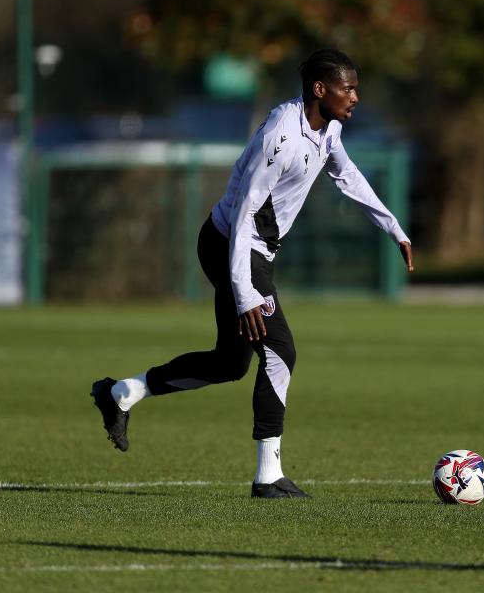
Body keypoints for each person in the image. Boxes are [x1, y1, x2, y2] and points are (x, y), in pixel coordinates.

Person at [90, 49, 414, 499]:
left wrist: (393, 227)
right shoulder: (281, 135)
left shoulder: (329, 128)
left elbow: (348, 177)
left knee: (229, 364)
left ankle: (122, 393)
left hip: (251, 250)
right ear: (320, 89)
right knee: (280, 351)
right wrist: (245, 294)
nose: (355, 96)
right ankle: (268, 476)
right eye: (348, 87)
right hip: (230, 244)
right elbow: (243, 216)